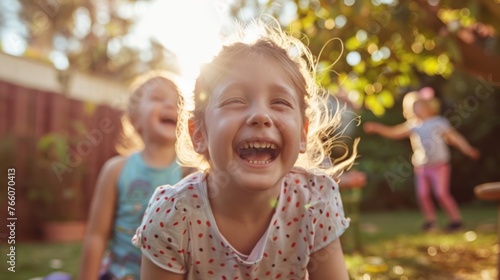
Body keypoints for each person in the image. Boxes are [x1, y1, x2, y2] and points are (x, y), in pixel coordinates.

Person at [132, 19, 358, 279]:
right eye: (235, 100)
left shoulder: (315, 201)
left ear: (303, 133)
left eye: (280, 102)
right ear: (199, 133)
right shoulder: (172, 216)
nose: (261, 115)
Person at [78, 71, 190, 280]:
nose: (170, 105)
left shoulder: (189, 173)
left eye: (179, 102)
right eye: (158, 98)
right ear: (135, 119)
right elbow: (96, 236)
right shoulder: (116, 170)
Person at [363, 87, 480, 232]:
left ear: (426, 106)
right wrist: (377, 128)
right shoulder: (413, 126)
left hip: (439, 165)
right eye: (411, 108)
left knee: (441, 193)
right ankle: (431, 222)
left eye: (417, 106)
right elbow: (393, 132)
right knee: (423, 195)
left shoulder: (438, 122)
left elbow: (454, 137)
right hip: (422, 166)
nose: (415, 110)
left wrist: (467, 149)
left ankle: (456, 221)